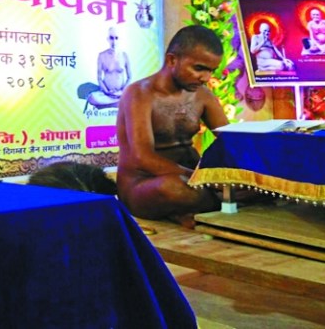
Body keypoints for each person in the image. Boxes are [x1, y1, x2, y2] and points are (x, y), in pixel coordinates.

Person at [116, 25, 228, 226]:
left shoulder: (203, 95)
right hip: (144, 185)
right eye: (199, 68)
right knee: (173, 188)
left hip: (194, 181)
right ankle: (219, 203)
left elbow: (230, 139)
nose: (206, 78)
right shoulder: (139, 94)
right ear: (172, 60)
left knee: (253, 187)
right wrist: (201, 180)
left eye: (211, 71)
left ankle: (203, 206)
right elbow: (142, 158)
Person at [87, 27, 131, 108]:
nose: (114, 41)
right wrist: (107, 92)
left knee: (134, 96)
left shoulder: (124, 55)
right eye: (111, 38)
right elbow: (99, 78)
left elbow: (129, 77)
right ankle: (117, 103)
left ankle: (115, 102)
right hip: (106, 94)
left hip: (121, 93)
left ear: (119, 39)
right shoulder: (102, 55)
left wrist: (122, 91)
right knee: (92, 97)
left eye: (116, 38)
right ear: (107, 39)